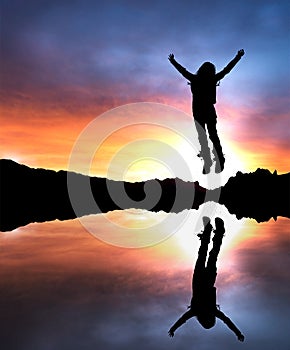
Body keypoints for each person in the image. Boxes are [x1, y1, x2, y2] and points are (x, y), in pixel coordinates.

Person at [168, 217, 245, 342]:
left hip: (205, 279)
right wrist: (173, 328)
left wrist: (238, 333)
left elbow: (226, 321)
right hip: (201, 279)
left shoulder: (203, 311)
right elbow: (183, 319)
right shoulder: (198, 311)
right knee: (205, 254)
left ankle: (213, 231)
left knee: (210, 255)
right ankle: (212, 231)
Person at [168, 50, 245, 173]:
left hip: (203, 111)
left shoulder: (198, 79)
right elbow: (226, 69)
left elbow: (183, 71)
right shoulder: (203, 79)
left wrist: (173, 61)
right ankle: (210, 161)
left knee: (208, 136)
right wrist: (238, 57)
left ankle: (217, 160)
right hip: (201, 112)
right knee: (206, 137)